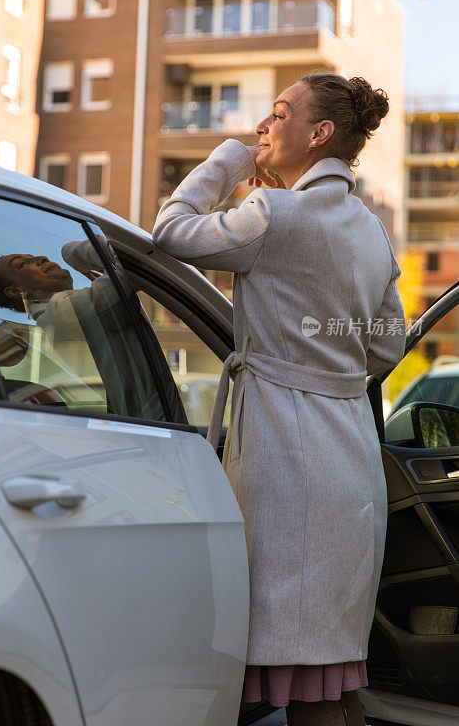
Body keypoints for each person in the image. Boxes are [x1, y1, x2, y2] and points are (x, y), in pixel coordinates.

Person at [152, 74, 406, 726]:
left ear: (317, 134)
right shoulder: (369, 230)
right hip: (350, 460)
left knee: (305, 684)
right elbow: (386, 349)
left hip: (287, 462)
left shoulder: (273, 215)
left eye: (278, 114)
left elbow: (169, 231)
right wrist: (325, 356)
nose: (263, 126)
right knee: (333, 675)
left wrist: (228, 160)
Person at [0, 235, 165, 419]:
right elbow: (126, 262)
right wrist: (72, 253)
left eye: (32, 255)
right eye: (22, 264)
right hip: (159, 424)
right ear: (15, 291)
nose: (42, 258)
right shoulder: (59, 314)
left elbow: (131, 274)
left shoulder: (64, 310)